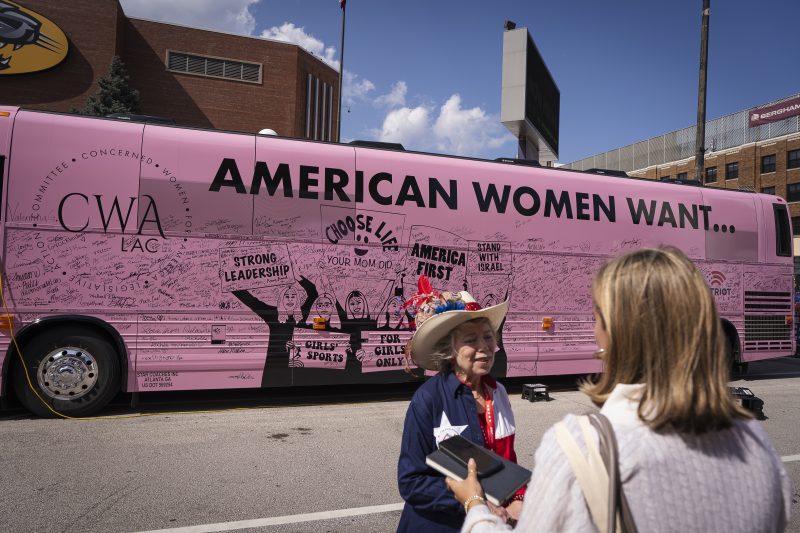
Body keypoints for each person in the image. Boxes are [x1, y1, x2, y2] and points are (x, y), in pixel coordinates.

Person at [447, 247, 791, 532]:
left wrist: (475, 505)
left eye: (598, 316)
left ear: (616, 334)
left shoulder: (581, 447)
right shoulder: (756, 443)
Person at [397, 275, 525, 533]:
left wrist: (519, 499)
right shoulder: (428, 399)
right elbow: (411, 482)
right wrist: (474, 503)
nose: (485, 347)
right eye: (470, 339)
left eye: (488, 337)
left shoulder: (498, 393)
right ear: (450, 350)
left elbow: (506, 461)